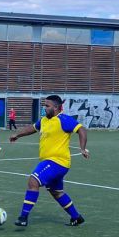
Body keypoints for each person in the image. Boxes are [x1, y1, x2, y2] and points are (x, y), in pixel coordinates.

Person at [9, 94, 89, 227]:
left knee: (33, 181)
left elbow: (81, 130)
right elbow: (32, 128)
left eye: (47, 106)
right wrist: (17, 134)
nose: (44, 108)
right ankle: (76, 217)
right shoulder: (44, 120)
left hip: (57, 162)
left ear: (56, 107)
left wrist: (82, 148)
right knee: (56, 192)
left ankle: (23, 217)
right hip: (54, 163)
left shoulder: (63, 120)